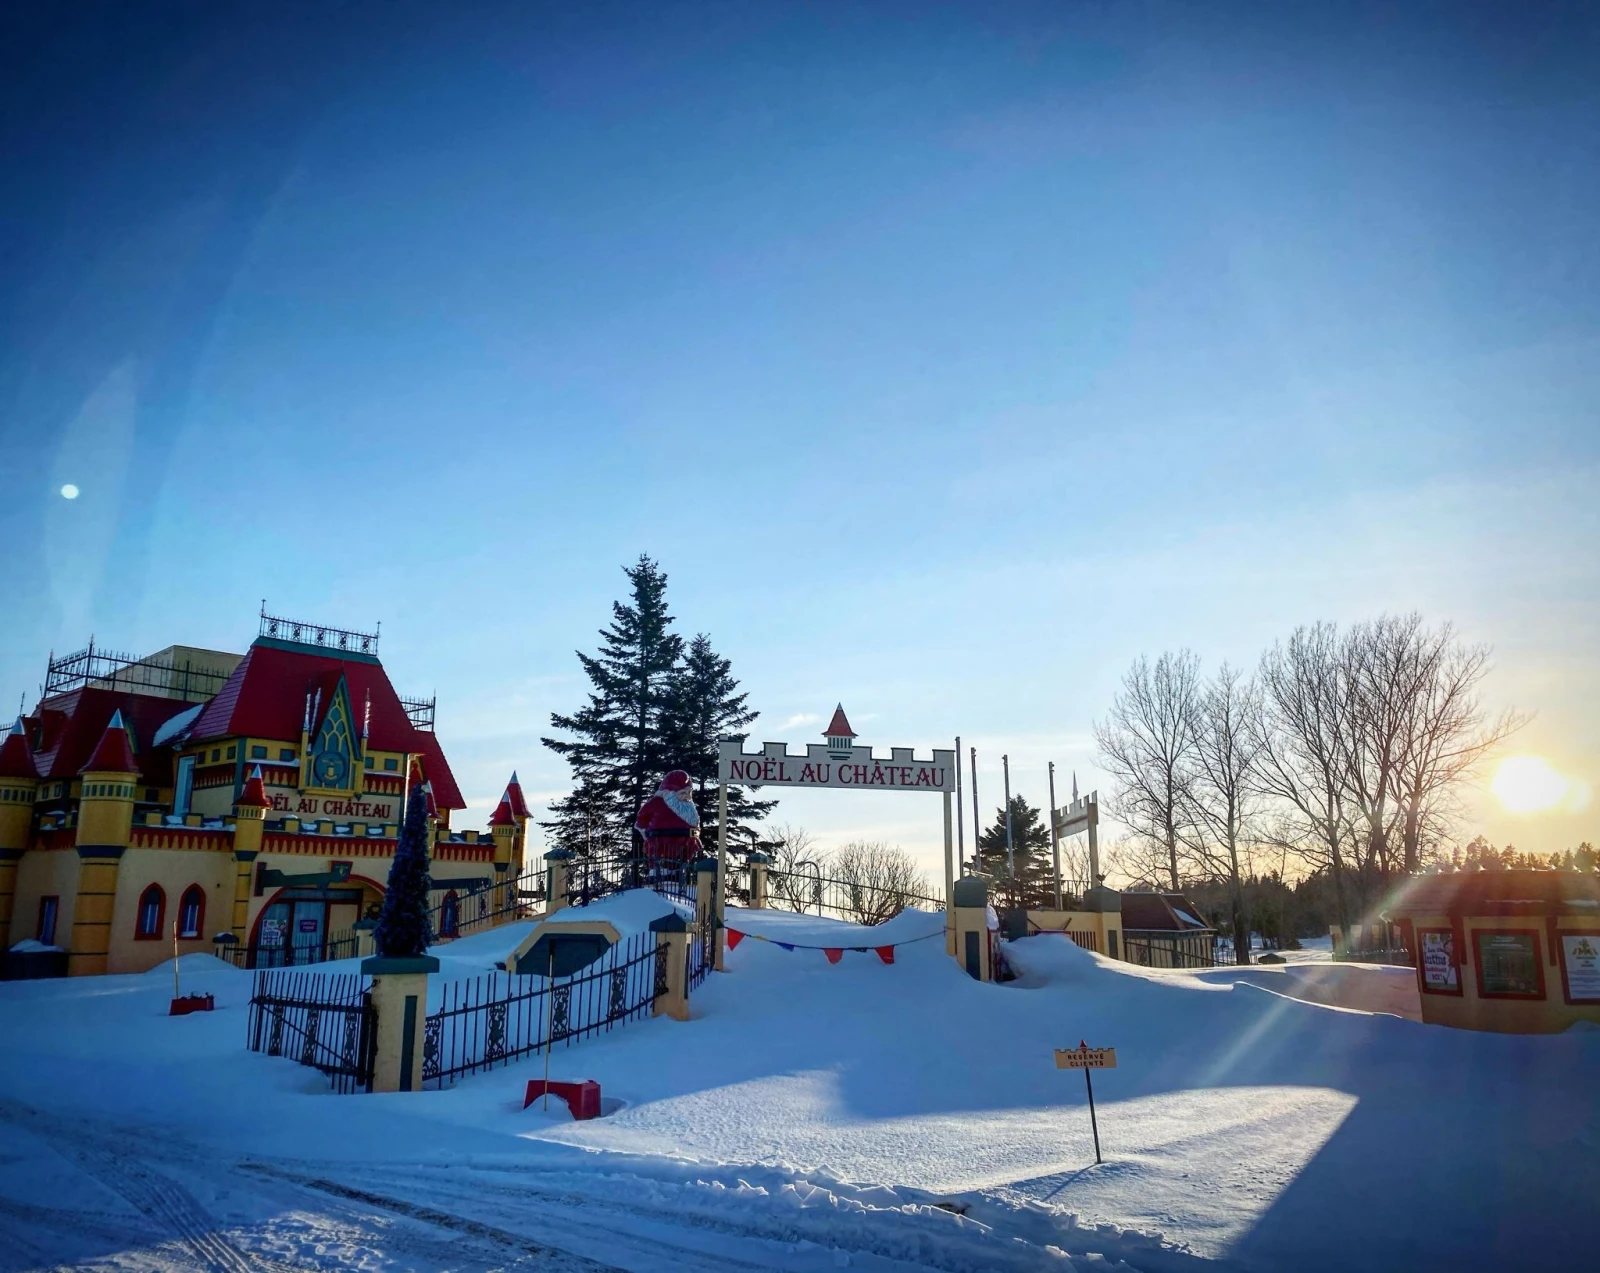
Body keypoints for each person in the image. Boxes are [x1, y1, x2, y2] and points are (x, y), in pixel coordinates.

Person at [635, 770, 702, 875]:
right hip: (662, 846)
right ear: (668, 792)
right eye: (682, 793)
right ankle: (661, 870)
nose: (687, 796)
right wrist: (646, 834)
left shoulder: (688, 807)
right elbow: (641, 819)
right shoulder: (657, 803)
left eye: (689, 792)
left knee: (678, 870)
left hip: (685, 848)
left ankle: (679, 869)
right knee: (664, 869)